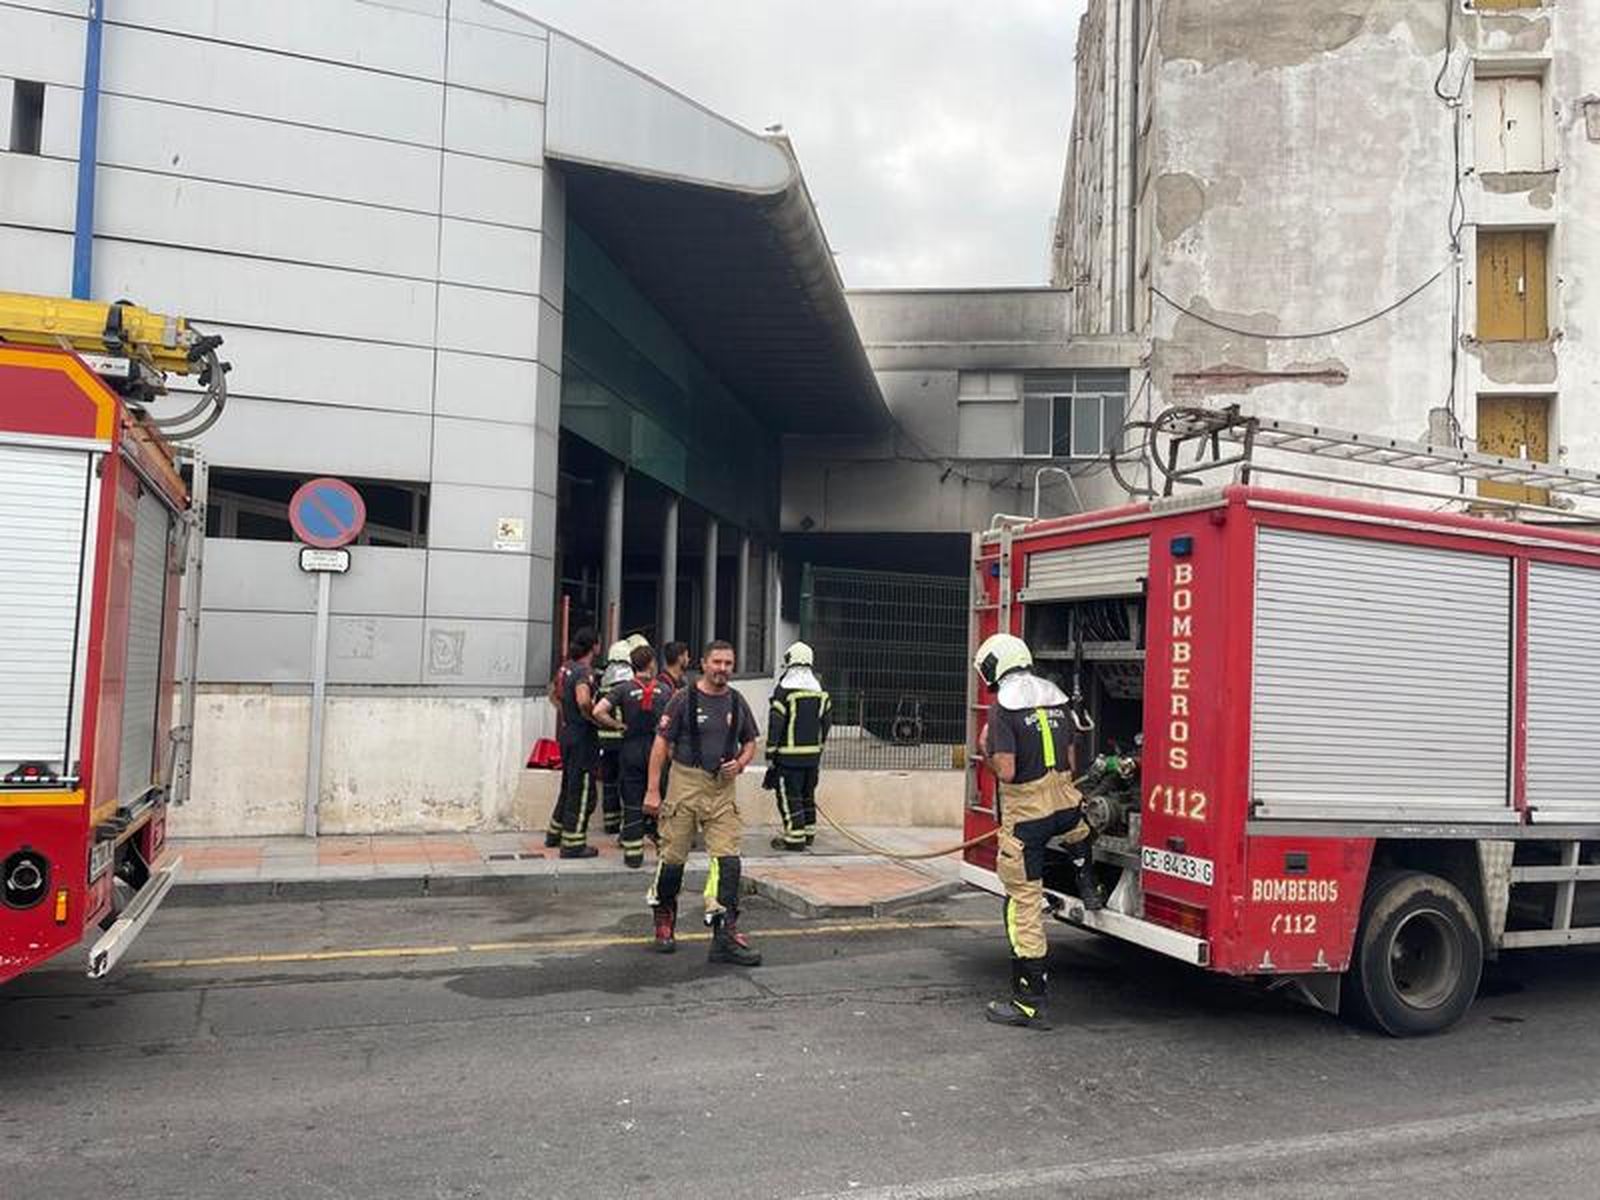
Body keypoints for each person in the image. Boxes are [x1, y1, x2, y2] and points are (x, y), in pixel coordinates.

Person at [974, 632, 1102, 1030]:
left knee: (1023, 905)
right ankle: (1089, 885)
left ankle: (1029, 1003)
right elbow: (1071, 762)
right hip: (1064, 805)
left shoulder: (1003, 708)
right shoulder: (1056, 698)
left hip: (1027, 816)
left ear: (995, 666)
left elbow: (1007, 771)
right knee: (1078, 830)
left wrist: (985, 752)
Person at [643, 641, 762, 965]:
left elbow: (750, 741)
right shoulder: (683, 699)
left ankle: (724, 937)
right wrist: (653, 791)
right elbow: (660, 743)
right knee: (672, 860)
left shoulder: (736, 701)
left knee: (728, 863)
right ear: (704, 663)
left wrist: (740, 763)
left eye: (728, 663)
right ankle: (664, 918)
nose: (722, 668)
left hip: (722, 791)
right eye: (717, 662)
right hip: (685, 785)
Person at [591, 643, 672, 869]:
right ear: (652, 664)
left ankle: (633, 855)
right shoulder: (665, 690)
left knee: (632, 800)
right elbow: (675, 719)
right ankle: (664, 852)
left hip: (630, 749)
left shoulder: (623, 689)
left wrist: (617, 725)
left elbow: (597, 711)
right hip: (657, 750)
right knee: (659, 799)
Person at [765, 641, 831, 851]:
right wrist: (818, 747)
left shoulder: (783, 692)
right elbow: (826, 724)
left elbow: (776, 724)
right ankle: (808, 834)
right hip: (812, 759)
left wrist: (770, 752)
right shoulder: (821, 692)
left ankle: (794, 839)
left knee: (789, 797)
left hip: (788, 759)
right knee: (807, 796)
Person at [550, 629, 601, 858]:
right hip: (582, 737)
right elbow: (583, 700)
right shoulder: (583, 672)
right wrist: (595, 717)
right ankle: (573, 844)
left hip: (568, 732)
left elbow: (553, 695)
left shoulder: (565, 668)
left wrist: (567, 714)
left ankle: (555, 833)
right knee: (583, 791)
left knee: (568, 784)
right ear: (594, 647)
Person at [593, 639, 637, 837]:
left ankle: (610, 823)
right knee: (627, 784)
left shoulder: (602, 683)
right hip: (624, 743)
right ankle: (626, 825)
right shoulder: (629, 685)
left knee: (609, 783)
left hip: (605, 744)